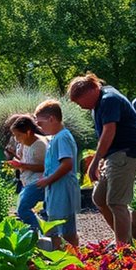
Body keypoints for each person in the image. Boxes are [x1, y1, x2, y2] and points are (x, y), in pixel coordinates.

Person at [68, 73, 136, 245]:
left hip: (126, 152)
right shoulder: (101, 101)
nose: (80, 106)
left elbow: (109, 131)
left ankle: (123, 248)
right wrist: (103, 157)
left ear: (90, 91)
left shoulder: (109, 99)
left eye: (80, 101)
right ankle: (124, 241)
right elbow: (105, 134)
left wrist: (95, 161)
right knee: (100, 198)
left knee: (117, 203)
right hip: (115, 154)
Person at [33, 101, 79, 248]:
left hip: (62, 189)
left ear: (52, 119)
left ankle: (67, 260)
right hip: (57, 189)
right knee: (60, 229)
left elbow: (67, 164)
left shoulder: (62, 137)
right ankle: (65, 260)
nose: (39, 127)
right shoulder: (55, 137)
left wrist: (48, 180)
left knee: (62, 229)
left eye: (41, 123)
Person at [7, 115, 48, 233]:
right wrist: (14, 157)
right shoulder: (24, 142)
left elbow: (45, 167)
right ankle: (35, 232)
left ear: (28, 132)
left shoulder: (40, 145)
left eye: (18, 135)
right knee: (20, 209)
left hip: (38, 182)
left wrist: (22, 166)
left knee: (23, 209)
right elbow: (28, 159)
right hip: (28, 180)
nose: (16, 138)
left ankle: (39, 233)